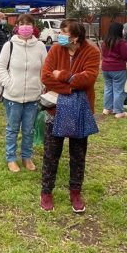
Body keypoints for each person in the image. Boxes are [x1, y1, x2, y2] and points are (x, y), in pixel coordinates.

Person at [39, 19, 100, 213]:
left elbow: (88, 79)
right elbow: (45, 76)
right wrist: (72, 87)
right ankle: (46, 192)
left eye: (65, 33)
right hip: (55, 111)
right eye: (61, 32)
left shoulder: (92, 52)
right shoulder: (56, 49)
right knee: (51, 154)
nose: (61, 36)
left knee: (78, 155)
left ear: (76, 37)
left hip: (80, 111)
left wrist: (63, 75)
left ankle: (75, 192)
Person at [0, 14, 46, 172]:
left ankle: (26, 157)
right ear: (17, 26)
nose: (25, 27)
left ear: (33, 26)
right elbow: (1, 67)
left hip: (33, 96)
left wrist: (41, 85)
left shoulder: (40, 46)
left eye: (28, 23)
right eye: (22, 23)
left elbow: (46, 68)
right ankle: (11, 158)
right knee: (12, 129)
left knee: (28, 129)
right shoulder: (9, 45)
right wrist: (9, 84)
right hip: (13, 96)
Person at [101, 22, 127, 118]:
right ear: (119, 31)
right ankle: (119, 111)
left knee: (108, 88)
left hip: (106, 68)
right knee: (119, 90)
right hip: (118, 68)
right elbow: (126, 55)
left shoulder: (105, 41)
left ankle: (107, 108)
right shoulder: (122, 42)